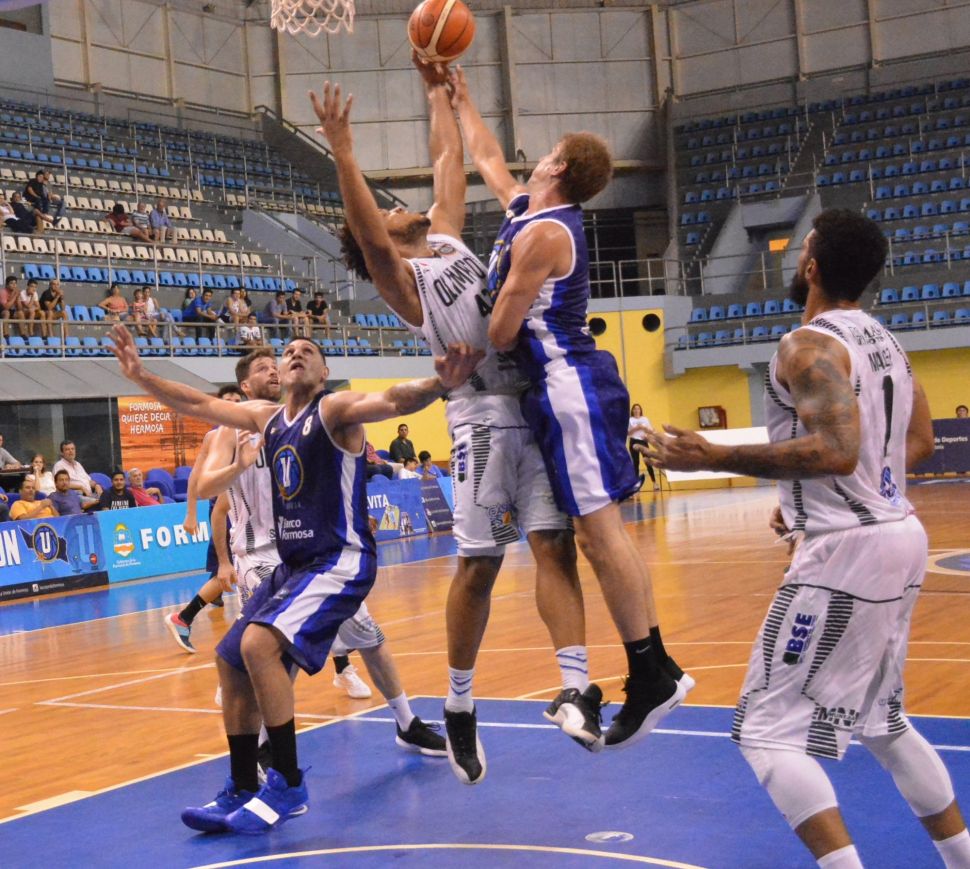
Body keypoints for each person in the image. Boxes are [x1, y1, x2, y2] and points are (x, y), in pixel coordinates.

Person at [644, 209, 970, 869]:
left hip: (848, 549)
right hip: (898, 533)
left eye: (803, 248)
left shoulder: (807, 345)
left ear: (813, 266)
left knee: (765, 731)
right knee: (882, 721)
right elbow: (917, 442)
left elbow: (838, 451)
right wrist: (802, 499)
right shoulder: (886, 340)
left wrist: (713, 457)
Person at [314, 68, 610, 789]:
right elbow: (368, 232)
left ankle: (575, 688)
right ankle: (459, 704)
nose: (399, 208)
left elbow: (448, 158)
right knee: (480, 566)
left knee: (554, 547)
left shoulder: (445, 239)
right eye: (386, 212)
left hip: (532, 406)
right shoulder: (400, 280)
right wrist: (343, 151)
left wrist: (436, 89)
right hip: (480, 419)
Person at [109, 322, 481, 834]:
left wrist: (441, 382)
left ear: (324, 372)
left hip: (339, 561)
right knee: (230, 659)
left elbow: (394, 399)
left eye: (309, 349)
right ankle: (244, 783)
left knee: (261, 645)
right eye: (289, 351)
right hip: (293, 565)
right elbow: (197, 403)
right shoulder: (264, 419)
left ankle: (287, 782)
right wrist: (140, 375)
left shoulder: (334, 410)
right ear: (279, 374)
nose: (296, 353)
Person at [450, 64, 690, 750]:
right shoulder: (530, 212)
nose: (533, 160)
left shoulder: (543, 235)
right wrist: (459, 99)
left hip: (568, 386)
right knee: (597, 532)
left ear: (557, 166)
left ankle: (651, 671)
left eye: (548, 152)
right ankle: (655, 668)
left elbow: (501, 332)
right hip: (563, 388)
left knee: (598, 534)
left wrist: (475, 315)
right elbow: (489, 161)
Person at [193, 348, 443, 757]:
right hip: (260, 556)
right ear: (245, 386)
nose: (273, 371)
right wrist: (222, 554)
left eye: (274, 365)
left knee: (369, 634)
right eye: (262, 369)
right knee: (274, 649)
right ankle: (266, 748)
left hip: (311, 554)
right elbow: (207, 490)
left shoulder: (295, 423)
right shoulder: (230, 432)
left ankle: (406, 721)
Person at [52, 440, 102, 507]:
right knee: (102, 501)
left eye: (72, 449)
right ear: (62, 453)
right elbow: (60, 484)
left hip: (89, 494)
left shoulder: (78, 464)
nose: (71, 451)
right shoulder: (59, 465)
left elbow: (88, 480)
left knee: (107, 497)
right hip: (74, 496)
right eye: (67, 449)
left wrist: (96, 485)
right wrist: (81, 487)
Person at [628, 404, 658, 491]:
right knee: (636, 462)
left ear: (640, 410)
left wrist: (649, 432)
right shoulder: (630, 420)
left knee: (647, 461)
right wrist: (637, 428)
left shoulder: (645, 419)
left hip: (643, 441)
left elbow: (650, 430)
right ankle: (636, 484)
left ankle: (654, 483)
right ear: (632, 411)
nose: (636, 410)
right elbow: (628, 433)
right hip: (634, 441)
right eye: (634, 409)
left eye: (638, 409)